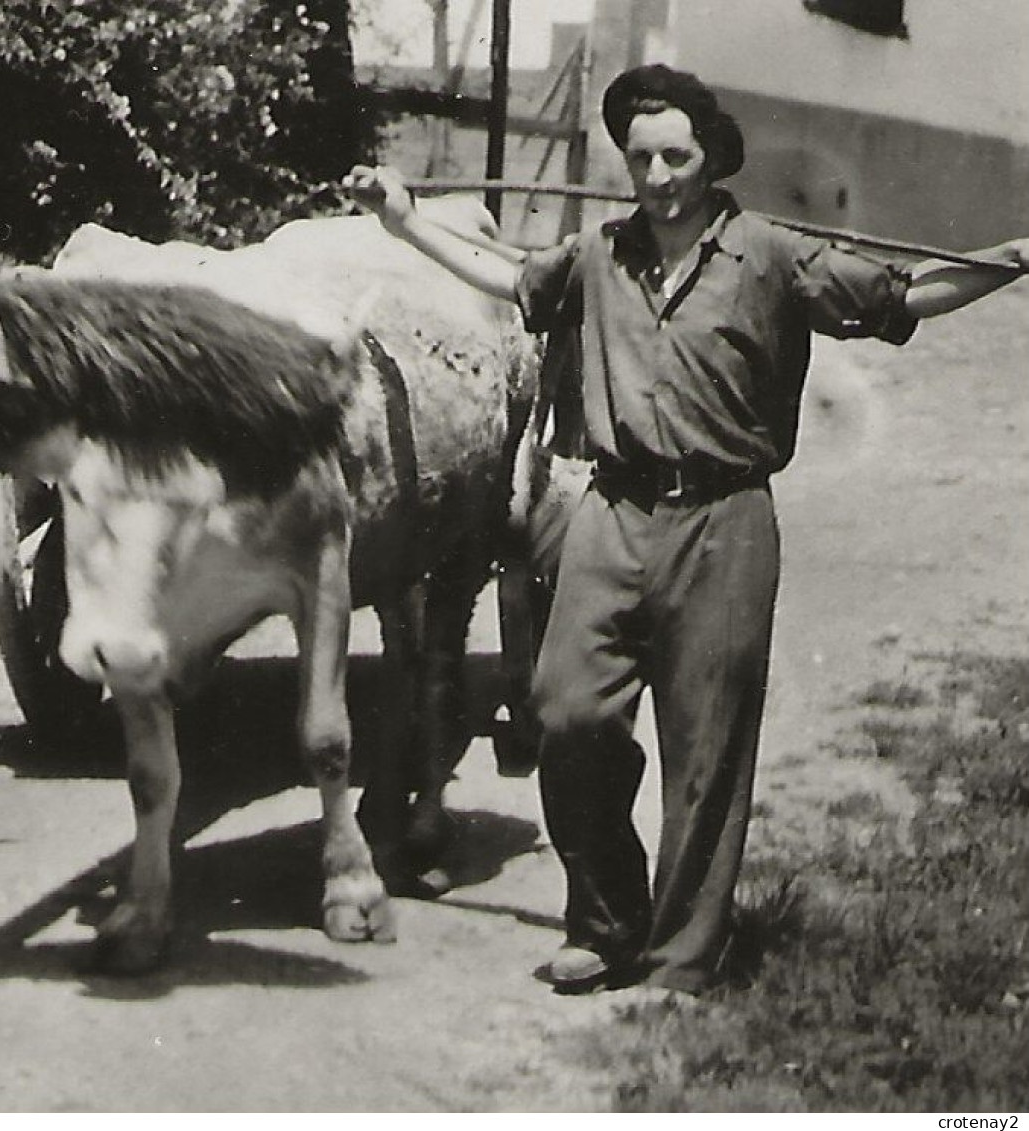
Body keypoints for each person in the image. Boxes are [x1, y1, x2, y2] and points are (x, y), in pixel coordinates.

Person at [347, 63, 1029, 995]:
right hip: (614, 512)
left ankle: (678, 957)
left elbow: (900, 298)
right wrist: (403, 220)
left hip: (727, 520)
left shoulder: (774, 256)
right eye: (641, 157)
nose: (658, 173)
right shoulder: (599, 254)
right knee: (565, 712)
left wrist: (1008, 262)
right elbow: (511, 278)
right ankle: (607, 920)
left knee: (706, 750)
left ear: (712, 157)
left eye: (677, 154)